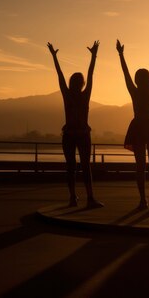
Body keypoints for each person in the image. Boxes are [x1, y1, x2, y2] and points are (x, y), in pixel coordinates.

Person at [47, 41, 103, 208]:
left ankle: (73, 197)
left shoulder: (67, 95)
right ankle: (90, 198)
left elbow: (60, 76)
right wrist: (93, 56)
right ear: (82, 84)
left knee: (71, 167)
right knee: (85, 166)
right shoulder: (84, 95)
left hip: (70, 134)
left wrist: (54, 57)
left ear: (72, 83)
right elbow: (91, 74)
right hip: (82, 133)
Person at [117, 39, 149, 210]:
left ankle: (143, 200)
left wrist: (121, 55)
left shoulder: (134, 92)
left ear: (137, 80)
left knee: (140, 167)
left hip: (138, 127)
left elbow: (125, 75)